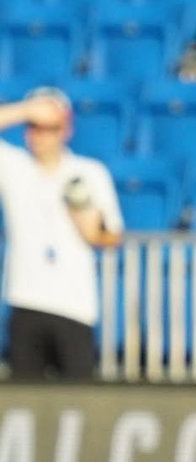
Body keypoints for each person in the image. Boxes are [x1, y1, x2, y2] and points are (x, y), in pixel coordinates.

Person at [0, 88, 124, 381]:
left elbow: (111, 236)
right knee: (25, 405)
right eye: (34, 128)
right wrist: (26, 110)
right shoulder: (15, 167)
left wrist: (89, 226)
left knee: (78, 401)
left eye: (49, 128)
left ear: (66, 129)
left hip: (74, 305)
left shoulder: (89, 172)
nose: (40, 136)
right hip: (26, 299)